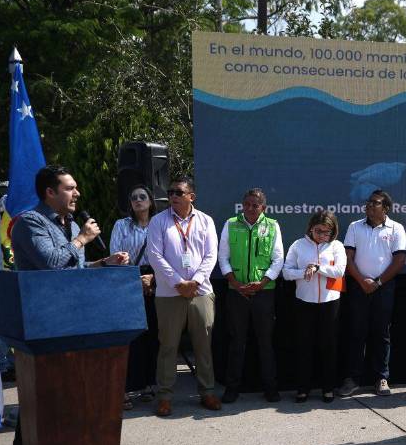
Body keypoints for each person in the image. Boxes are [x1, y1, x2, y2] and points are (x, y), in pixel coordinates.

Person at [7, 165, 129, 445]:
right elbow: (50, 264)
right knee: (39, 394)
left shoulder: (71, 224)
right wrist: (82, 239)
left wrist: (104, 263)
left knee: (72, 392)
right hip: (40, 321)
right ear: (50, 192)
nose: (77, 194)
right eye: (69, 188)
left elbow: (74, 269)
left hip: (75, 318)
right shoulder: (30, 223)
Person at [146, 176, 221, 417]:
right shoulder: (158, 221)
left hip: (201, 291)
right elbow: (155, 256)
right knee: (168, 346)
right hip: (169, 293)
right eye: (170, 192)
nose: (173, 196)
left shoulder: (206, 221)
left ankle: (207, 392)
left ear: (191, 196)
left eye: (178, 192)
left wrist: (195, 281)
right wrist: (178, 283)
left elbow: (211, 255)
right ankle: (165, 396)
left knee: (203, 346)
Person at [217, 188, 284, 403]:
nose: (250, 208)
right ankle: (232, 388)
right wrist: (236, 284)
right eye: (247, 204)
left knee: (265, 342)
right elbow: (223, 257)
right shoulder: (230, 224)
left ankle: (271, 388)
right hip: (237, 292)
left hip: (264, 292)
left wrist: (262, 282)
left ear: (263, 207)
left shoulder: (272, 225)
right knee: (237, 342)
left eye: (255, 205)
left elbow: (278, 259)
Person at [338, 190, 406, 397]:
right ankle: (352, 379)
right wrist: (362, 281)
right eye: (368, 202)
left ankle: (381, 378)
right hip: (358, 286)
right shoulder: (355, 226)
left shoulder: (396, 228)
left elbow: (399, 260)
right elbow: (348, 258)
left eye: (374, 203)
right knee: (356, 332)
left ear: (386, 208)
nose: (369, 205)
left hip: (384, 287)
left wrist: (377, 283)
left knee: (381, 333)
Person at [282, 210, 346, 403]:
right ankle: (303, 388)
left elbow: (339, 271)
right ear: (311, 228)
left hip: (330, 302)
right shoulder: (298, 245)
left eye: (327, 232)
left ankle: (328, 388)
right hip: (304, 302)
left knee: (329, 346)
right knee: (304, 345)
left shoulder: (336, 246)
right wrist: (304, 271)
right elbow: (286, 272)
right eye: (318, 231)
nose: (322, 236)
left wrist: (318, 268)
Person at [110, 184, 159, 410]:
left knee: (153, 334)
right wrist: (135, 280)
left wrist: (153, 279)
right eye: (133, 198)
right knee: (132, 336)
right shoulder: (121, 225)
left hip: (157, 280)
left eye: (142, 196)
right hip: (129, 280)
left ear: (150, 201)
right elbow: (115, 255)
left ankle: (150, 384)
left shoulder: (160, 224)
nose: (138, 200)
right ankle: (128, 387)